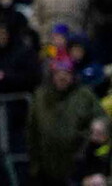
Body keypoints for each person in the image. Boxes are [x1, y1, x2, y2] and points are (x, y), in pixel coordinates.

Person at [28, 57, 106, 185]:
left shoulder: (84, 95)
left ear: (72, 76)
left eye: (66, 74)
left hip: (78, 165)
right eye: (58, 73)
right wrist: (34, 164)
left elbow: (101, 117)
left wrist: (100, 124)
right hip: (46, 166)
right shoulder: (40, 96)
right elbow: (32, 129)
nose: (62, 77)